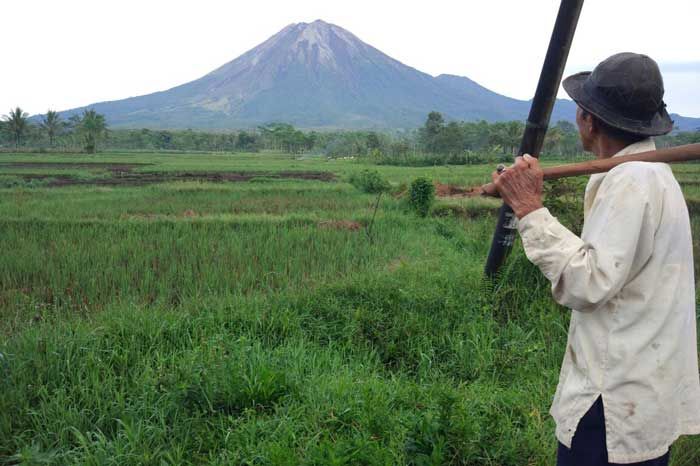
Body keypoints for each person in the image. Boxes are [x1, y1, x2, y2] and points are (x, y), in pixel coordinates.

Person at [492, 52, 700, 465]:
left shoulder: (633, 180)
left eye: (579, 109)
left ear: (589, 120)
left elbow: (589, 282)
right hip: (641, 389)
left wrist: (531, 210)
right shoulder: (648, 174)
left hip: (612, 398)